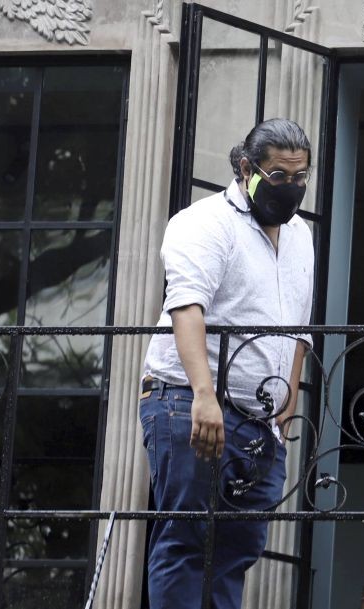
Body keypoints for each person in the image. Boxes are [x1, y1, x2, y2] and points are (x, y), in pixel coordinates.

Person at [139, 118, 314, 609]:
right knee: (188, 542)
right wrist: (203, 395)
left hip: (261, 419)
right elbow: (186, 305)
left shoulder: (300, 233)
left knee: (238, 548)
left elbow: (299, 320)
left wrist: (290, 388)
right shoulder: (203, 222)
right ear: (246, 168)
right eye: (279, 176)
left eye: (301, 177)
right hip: (188, 403)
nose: (292, 188)